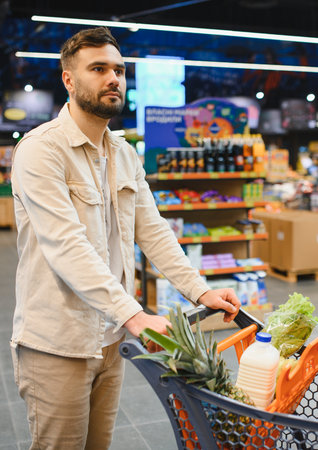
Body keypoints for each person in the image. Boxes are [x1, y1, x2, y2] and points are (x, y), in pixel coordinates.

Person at [10, 26, 241, 449]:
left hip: (112, 341)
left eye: (118, 69)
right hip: (58, 344)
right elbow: (66, 245)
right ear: (68, 79)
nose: (113, 78)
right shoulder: (41, 150)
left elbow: (153, 231)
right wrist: (135, 315)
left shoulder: (123, 153)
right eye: (98, 68)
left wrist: (199, 291)